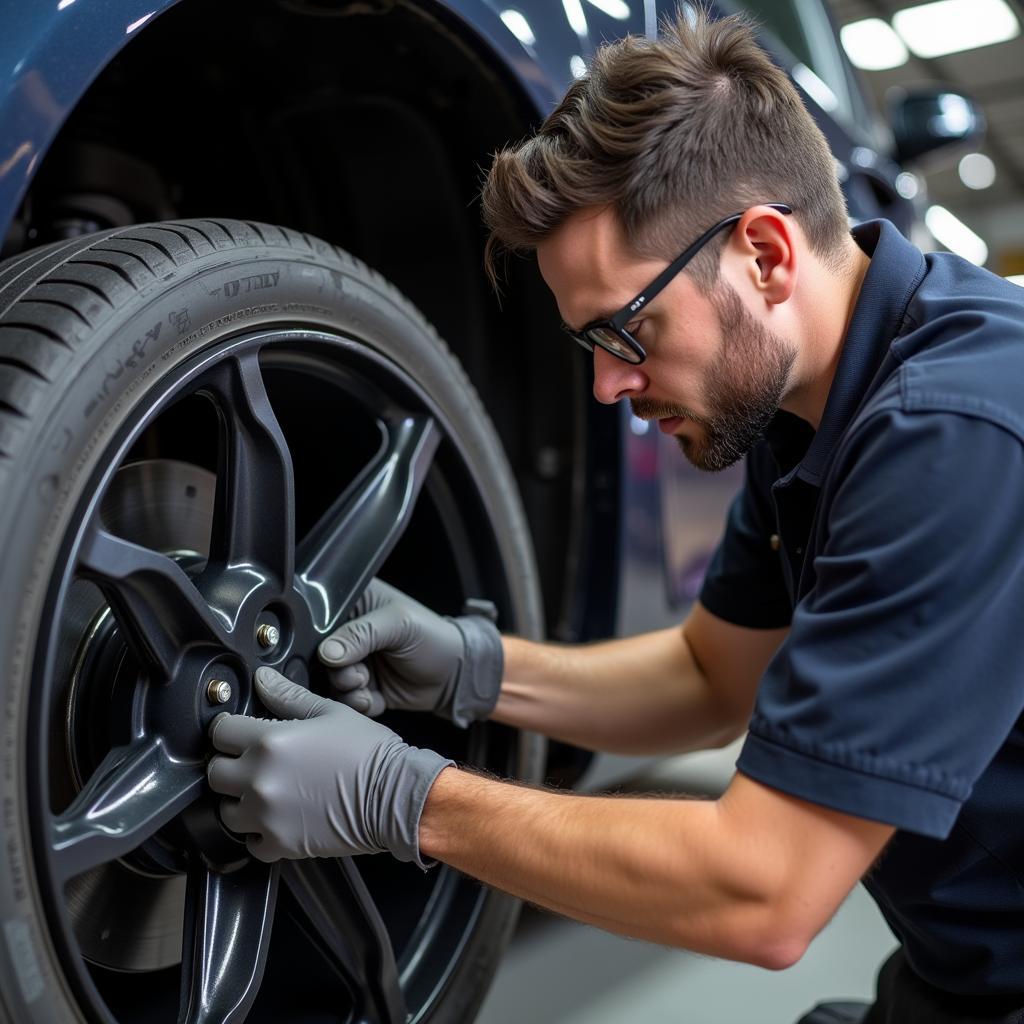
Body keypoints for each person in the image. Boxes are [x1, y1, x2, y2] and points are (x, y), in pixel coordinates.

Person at [206, 8, 1024, 1022]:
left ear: (765, 253)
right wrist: (477, 667)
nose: (604, 387)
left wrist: (407, 800)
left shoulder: (959, 427)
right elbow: (709, 678)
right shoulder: (805, 405)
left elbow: (765, 891)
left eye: (624, 329)